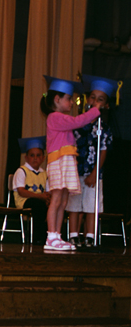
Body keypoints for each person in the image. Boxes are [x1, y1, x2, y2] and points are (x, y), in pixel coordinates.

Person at [40, 75, 100, 251]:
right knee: (57, 198)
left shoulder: (60, 118)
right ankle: (51, 235)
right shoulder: (54, 117)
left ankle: (57, 235)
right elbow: (77, 121)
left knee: (63, 200)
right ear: (57, 99)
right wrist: (95, 110)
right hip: (59, 161)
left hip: (66, 160)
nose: (72, 102)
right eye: (69, 99)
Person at [67, 74, 120, 247]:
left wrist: (95, 172)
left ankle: (90, 236)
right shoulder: (78, 122)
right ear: (87, 99)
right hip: (76, 170)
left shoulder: (104, 128)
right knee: (74, 204)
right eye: (93, 97)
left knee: (91, 205)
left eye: (100, 99)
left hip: (94, 173)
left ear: (105, 105)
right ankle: (73, 235)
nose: (96, 101)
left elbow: (103, 151)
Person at [12, 136, 50, 245]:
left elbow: (47, 192)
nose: (35, 158)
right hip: (24, 201)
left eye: (38, 155)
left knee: (53, 207)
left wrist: (48, 199)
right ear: (26, 158)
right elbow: (21, 191)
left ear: (43, 158)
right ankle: (37, 237)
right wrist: (41, 197)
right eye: (32, 155)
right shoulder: (21, 171)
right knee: (38, 205)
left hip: (40, 200)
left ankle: (51, 237)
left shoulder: (44, 174)